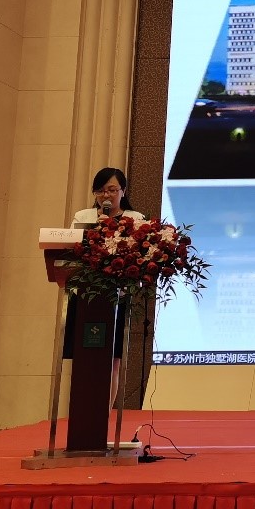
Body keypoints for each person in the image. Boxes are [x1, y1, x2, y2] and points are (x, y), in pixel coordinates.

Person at [65, 168, 146, 401]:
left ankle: (106, 414)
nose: (106, 196)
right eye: (100, 191)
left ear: (123, 191)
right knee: (83, 358)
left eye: (112, 190)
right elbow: (71, 251)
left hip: (117, 296)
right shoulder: (83, 217)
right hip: (85, 295)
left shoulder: (135, 219)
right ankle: (83, 411)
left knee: (113, 360)